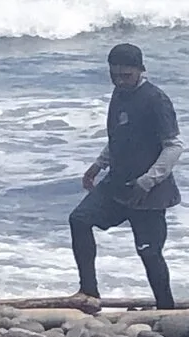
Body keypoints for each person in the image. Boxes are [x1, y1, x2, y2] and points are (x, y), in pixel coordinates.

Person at [68, 41, 180, 309]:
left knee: (149, 253)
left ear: (141, 70)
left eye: (126, 75)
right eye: (114, 75)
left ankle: (166, 309)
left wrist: (148, 180)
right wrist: (98, 165)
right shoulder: (119, 94)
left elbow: (174, 146)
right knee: (79, 220)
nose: (120, 81)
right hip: (117, 183)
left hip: (149, 191)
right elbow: (119, 136)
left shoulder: (156, 100)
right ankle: (89, 292)